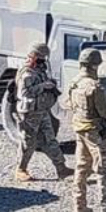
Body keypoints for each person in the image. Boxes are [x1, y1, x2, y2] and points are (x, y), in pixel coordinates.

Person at [61, 49, 106, 212]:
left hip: (80, 128)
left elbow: (68, 104)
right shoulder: (95, 87)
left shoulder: (74, 82)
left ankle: (79, 205)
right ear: (95, 65)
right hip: (94, 131)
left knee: (82, 167)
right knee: (103, 168)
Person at [12, 43, 72, 182]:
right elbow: (24, 93)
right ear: (34, 56)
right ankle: (21, 169)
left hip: (42, 110)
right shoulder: (27, 73)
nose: (43, 60)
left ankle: (61, 168)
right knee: (28, 142)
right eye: (41, 57)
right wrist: (42, 86)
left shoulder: (39, 70)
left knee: (50, 139)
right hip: (29, 112)